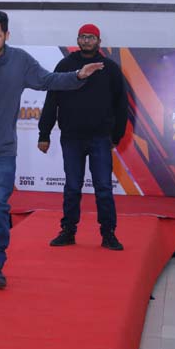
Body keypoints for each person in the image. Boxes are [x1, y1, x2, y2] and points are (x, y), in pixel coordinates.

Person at [0, 10, 103, 289]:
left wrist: (78, 75)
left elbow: (47, 80)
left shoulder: (20, 61)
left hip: (3, 148)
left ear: (7, 35)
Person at [37, 24, 128, 251]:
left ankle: (108, 234)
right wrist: (44, 133)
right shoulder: (65, 65)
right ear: (78, 40)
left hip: (100, 138)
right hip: (71, 138)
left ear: (99, 41)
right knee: (72, 187)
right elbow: (52, 99)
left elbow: (121, 104)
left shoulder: (110, 68)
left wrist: (116, 136)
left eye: (91, 37)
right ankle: (68, 231)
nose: (86, 40)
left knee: (104, 188)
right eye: (83, 37)